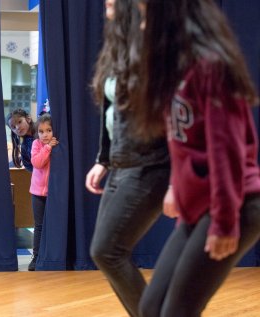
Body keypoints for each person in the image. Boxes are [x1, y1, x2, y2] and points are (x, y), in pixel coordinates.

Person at [129, 0, 260, 316]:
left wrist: (224, 221)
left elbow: (226, 151)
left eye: (146, 16)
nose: (142, 26)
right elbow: (182, 146)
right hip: (199, 209)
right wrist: (178, 188)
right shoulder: (175, 73)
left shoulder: (212, 66)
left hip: (236, 204)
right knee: (151, 307)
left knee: (178, 311)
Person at [85, 0, 170, 316]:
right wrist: (103, 160)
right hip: (121, 164)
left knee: (108, 251)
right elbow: (111, 110)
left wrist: (177, 179)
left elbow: (173, 116)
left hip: (151, 164)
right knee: (105, 252)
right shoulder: (117, 47)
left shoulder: (155, 48)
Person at [28, 113, 59, 271]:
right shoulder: (36, 145)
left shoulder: (58, 145)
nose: (45, 134)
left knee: (54, 225)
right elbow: (37, 163)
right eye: (41, 131)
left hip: (54, 193)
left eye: (48, 130)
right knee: (39, 226)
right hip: (38, 194)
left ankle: (53, 256)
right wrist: (48, 148)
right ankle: (36, 256)